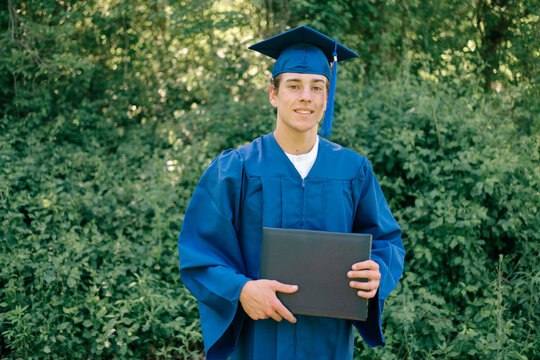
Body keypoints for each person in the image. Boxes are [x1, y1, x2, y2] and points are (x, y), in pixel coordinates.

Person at [178, 26, 405, 360]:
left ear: (327, 97)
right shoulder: (235, 168)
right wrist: (240, 290)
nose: (306, 96)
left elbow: (387, 241)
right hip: (259, 340)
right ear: (274, 93)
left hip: (327, 341)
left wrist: (378, 273)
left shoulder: (353, 170)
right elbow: (199, 253)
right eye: (294, 85)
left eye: (317, 87)